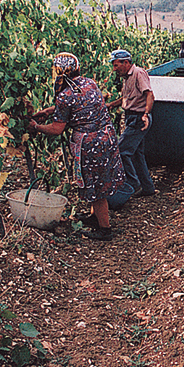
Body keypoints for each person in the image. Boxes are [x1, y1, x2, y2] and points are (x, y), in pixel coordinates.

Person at [29, 52, 125, 241]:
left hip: (91, 144)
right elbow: (80, 106)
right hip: (106, 137)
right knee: (97, 181)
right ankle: (94, 217)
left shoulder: (64, 96)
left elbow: (57, 129)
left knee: (96, 187)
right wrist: (50, 111)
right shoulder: (89, 83)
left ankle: (104, 229)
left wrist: (37, 127)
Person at [106, 49, 156, 199]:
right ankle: (147, 188)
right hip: (131, 117)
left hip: (138, 118)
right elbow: (127, 98)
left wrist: (146, 114)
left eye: (116, 66)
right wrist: (112, 105)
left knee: (121, 151)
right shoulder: (127, 77)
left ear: (126, 62)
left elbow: (149, 95)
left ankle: (133, 185)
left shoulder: (138, 73)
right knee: (136, 154)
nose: (114, 69)